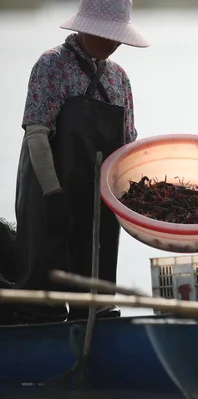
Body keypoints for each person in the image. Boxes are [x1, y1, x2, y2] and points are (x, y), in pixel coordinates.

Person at [12, 0, 149, 324]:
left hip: (97, 202)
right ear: (85, 28)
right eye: (107, 35)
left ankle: (94, 340)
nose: (114, 42)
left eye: (118, 36)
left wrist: (134, 200)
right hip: (50, 196)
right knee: (45, 296)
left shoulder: (119, 79)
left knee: (96, 302)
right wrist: (53, 195)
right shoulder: (52, 65)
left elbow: (127, 146)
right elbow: (37, 134)